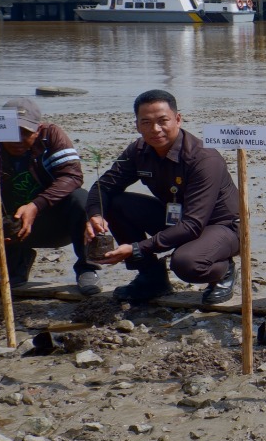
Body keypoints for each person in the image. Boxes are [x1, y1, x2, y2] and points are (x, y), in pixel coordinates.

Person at [85, 89, 241, 306]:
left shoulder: (203, 159)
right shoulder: (138, 151)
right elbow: (102, 187)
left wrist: (138, 248)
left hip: (220, 226)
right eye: (146, 122)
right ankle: (152, 277)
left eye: (162, 121)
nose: (155, 129)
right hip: (176, 217)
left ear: (178, 119)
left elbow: (193, 225)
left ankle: (223, 271)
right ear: (137, 125)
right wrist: (95, 216)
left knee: (186, 263)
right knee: (114, 204)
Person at [0, 97, 102, 293]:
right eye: (11, 133)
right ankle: (17, 263)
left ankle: (86, 268)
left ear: (38, 130)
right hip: (12, 226)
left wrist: (35, 205)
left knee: (80, 198)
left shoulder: (51, 136)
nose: (17, 140)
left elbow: (72, 176)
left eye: (25, 133)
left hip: (53, 220)